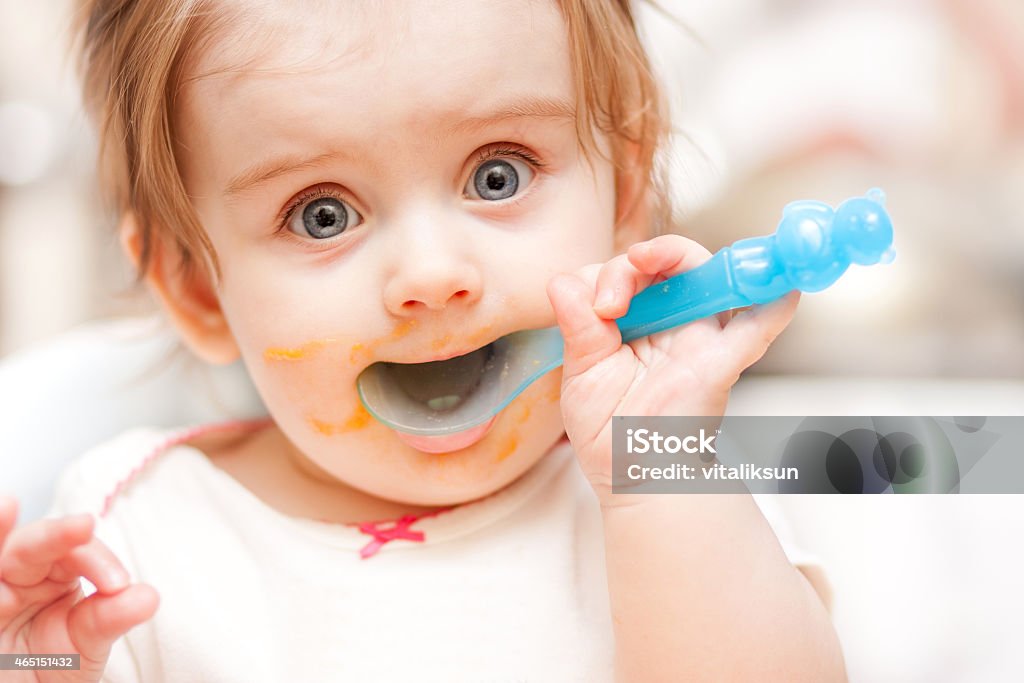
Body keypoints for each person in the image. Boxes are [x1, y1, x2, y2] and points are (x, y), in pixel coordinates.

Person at [0, 1, 844, 680]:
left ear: (624, 192)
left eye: (496, 174)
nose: (433, 274)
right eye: (321, 214)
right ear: (196, 289)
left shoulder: (676, 478)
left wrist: (659, 477)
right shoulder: (134, 534)